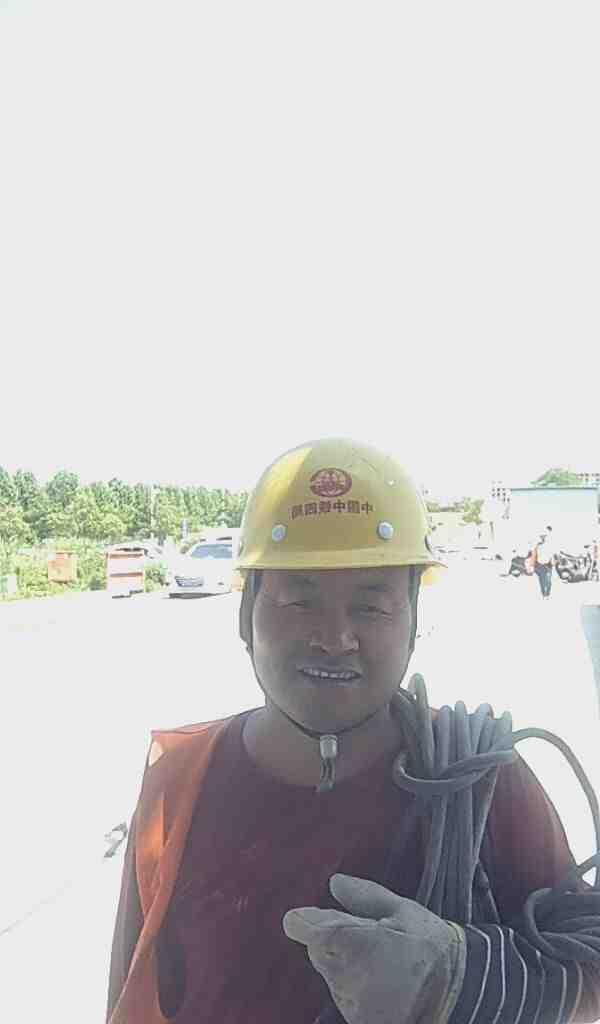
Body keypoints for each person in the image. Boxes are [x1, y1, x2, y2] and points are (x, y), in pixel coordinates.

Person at [106, 438, 600, 1024]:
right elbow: (129, 994)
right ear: (245, 615)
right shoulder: (178, 783)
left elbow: (591, 979)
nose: (335, 638)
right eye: (299, 602)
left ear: (412, 622)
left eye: (371, 607)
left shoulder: (487, 782)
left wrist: (461, 978)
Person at [532, 530, 554, 599]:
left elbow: (552, 555)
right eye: (542, 537)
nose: (543, 538)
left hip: (548, 565)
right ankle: (544, 594)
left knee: (548, 581)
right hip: (540, 565)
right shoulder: (538, 545)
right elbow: (535, 555)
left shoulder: (550, 545)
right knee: (541, 581)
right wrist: (533, 564)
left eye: (544, 536)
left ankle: (548, 594)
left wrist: (552, 563)